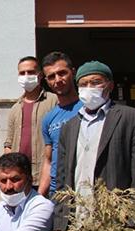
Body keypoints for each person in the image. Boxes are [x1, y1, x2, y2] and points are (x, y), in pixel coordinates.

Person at [53, 61, 135, 230]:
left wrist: (134, 221)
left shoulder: (131, 119)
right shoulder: (69, 127)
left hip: (114, 220)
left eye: (95, 82)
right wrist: (60, 224)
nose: (89, 88)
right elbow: (61, 178)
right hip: (77, 220)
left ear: (110, 85)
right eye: (83, 84)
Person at [4, 56, 58, 186]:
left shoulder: (54, 101)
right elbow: (8, 145)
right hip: (20, 179)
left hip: (45, 176)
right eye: (22, 73)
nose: (26, 76)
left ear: (39, 75)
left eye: (31, 72)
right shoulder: (15, 108)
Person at [38, 51, 82, 197]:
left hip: (84, 188)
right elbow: (48, 160)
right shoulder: (48, 119)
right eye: (51, 76)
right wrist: (40, 196)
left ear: (73, 72)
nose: (57, 80)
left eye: (62, 73)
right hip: (58, 194)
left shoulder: (88, 108)